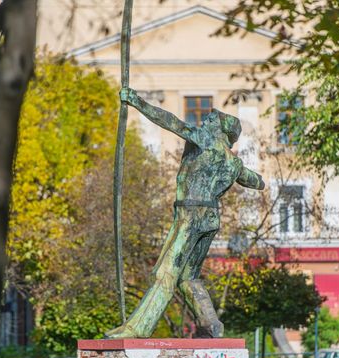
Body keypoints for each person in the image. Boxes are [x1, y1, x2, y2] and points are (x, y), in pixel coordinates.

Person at [105, 87, 264, 339]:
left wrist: (137, 102)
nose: (206, 122)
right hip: (210, 219)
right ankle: (211, 325)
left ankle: (138, 328)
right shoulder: (233, 162)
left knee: (165, 272)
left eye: (211, 120)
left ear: (221, 130)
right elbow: (255, 181)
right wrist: (253, 178)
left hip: (190, 216)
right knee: (188, 277)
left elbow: (170, 121)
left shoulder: (205, 140)